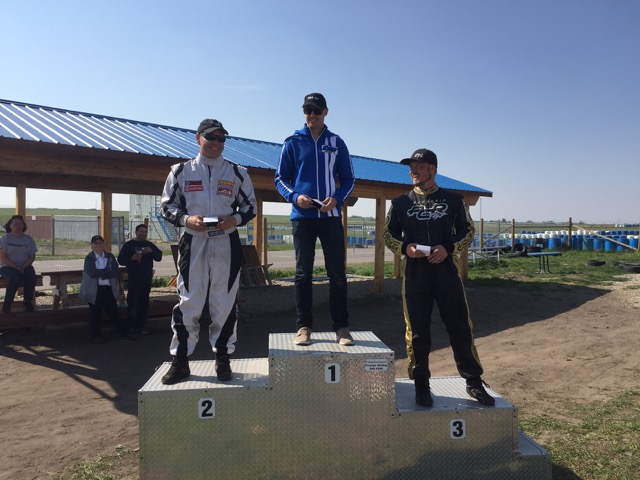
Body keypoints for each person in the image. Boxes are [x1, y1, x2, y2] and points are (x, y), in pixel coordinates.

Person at [383, 148, 495, 407]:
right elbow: (388, 234)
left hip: (447, 273)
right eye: (411, 166)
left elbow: (468, 231)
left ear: (433, 169)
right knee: (417, 332)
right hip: (415, 275)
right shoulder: (400, 203)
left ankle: (474, 382)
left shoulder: (454, 200)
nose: (413, 170)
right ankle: (421, 385)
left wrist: (449, 247)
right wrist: (406, 248)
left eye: (419, 166)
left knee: (460, 327)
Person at [159, 118, 257, 385]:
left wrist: (234, 219)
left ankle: (223, 358)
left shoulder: (237, 172)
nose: (216, 142)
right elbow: (166, 207)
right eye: (211, 137)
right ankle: (180, 361)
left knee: (224, 303)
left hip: (226, 241)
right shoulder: (181, 171)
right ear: (198, 138)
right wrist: (186, 220)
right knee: (189, 301)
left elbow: (250, 207)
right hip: (194, 242)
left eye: (221, 138)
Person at [275, 92, 356, 347]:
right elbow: (280, 179)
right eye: (307, 110)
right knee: (303, 274)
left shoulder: (337, 142)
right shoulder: (292, 142)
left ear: (325, 112)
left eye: (316, 110)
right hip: (303, 217)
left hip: (330, 217)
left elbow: (349, 179)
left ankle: (341, 328)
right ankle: (303, 327)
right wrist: (295, 197)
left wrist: (337, 199)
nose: (311, 115)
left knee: (337, 274)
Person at [79, 235, 130, 343]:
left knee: (113, 311)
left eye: (100, 243)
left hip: (108, 288)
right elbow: (92, 272)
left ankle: (123, 332)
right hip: (94, 290)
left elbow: (114, 271)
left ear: (103, 244)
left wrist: (103, 274)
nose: (98, 245)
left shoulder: (110, 256)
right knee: (96, 313)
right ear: (92, 245)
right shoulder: (89, 258)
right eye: (96, 243)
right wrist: (106, 272)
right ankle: (96, 335)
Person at [117, 224, 163, 334]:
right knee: (133, 302)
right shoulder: (129, 245)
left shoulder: (149, 244)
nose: (143, 234)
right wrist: (132, 258)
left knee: (144, 302)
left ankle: (142, 326)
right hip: (134, 278)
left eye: (145, 232)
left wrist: (151, 251)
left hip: (146, 278)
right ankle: (131, 327)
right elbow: (121, 260)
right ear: (136, 232)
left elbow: (159, 257)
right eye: (141, 231)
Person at [0, 215, 37, 313]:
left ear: (23, 226)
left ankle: (28, 301)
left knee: (31, 275)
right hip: (7, 266)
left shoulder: (28, 239)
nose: (17, 226)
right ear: (10, 226)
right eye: (15, 224)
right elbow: (3, 258)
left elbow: (32, 257)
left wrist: (23, 267)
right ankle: (7, 303)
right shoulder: (5, 239)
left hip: (24, 265)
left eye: (20, 224)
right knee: (15, 277)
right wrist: (16, 267)